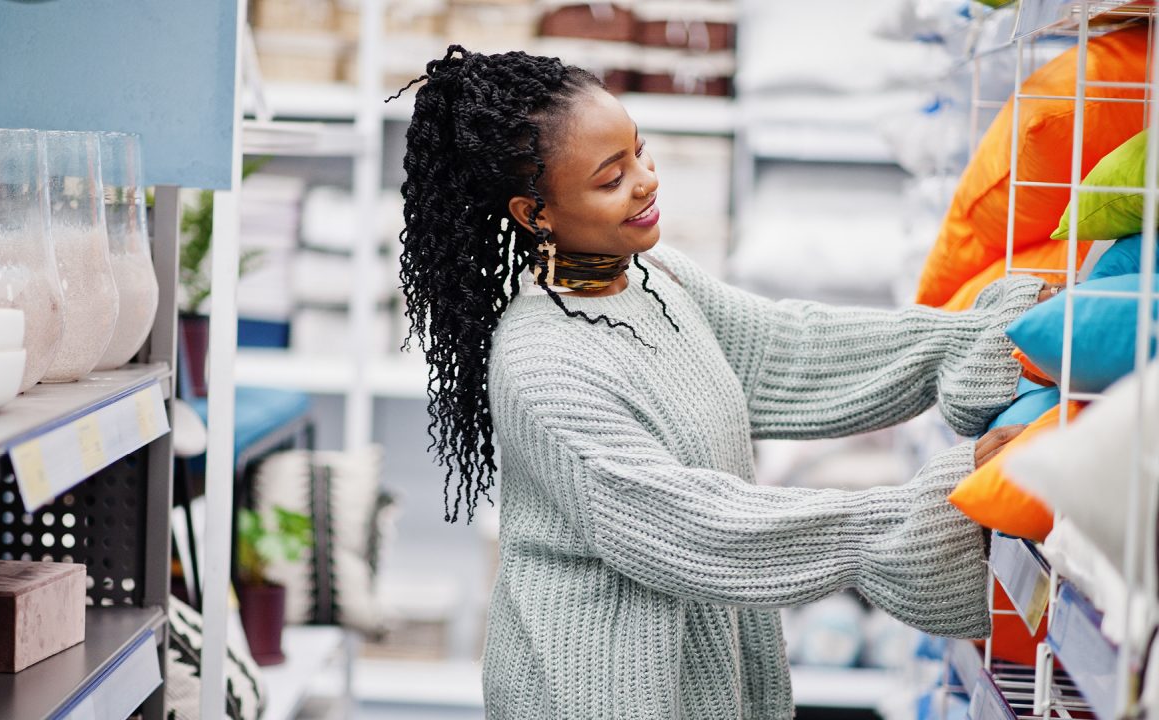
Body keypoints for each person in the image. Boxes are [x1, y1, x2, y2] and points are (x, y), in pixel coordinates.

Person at [392, 46, 1045, 719]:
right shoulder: (541, 362)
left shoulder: (657, 280)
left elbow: (785, 351)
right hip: (601, 690)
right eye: (611, 178)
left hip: (706, 658)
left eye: (641, 155)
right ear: (536, 214)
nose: (646, 182)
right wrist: (902, 521)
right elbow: (689, 523)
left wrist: (964, 343)